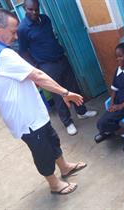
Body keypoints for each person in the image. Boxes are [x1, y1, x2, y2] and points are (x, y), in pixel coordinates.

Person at [0, 8, 87, 195]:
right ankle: (54, 184)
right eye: (13, 32)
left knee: (52, 140)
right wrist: (65, 92)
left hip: (32, 111)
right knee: (42, 151)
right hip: (25, 117)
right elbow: (37, 75)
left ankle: (65, 167)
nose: (15, 37)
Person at [17, 0, 97, 136]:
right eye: (30, 10)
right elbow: (24, 52)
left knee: (73, 87)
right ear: (25, 8)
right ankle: (68, 122)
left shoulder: (46, 19)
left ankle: (81, 111)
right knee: (58, 94)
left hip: (61, 58)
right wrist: (36, 66)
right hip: (46, 66)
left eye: (36, 9)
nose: (34, 12)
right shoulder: (23, 29)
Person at [94, 43, 124, 152]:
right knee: (100, 123)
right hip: (117, 104)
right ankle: (108, 131)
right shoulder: (118, 70)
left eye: (120, 56)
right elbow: (114, 90)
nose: (118, 59)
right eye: (116, 57)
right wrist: (111, 103)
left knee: (104, 123)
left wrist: (122, 105)